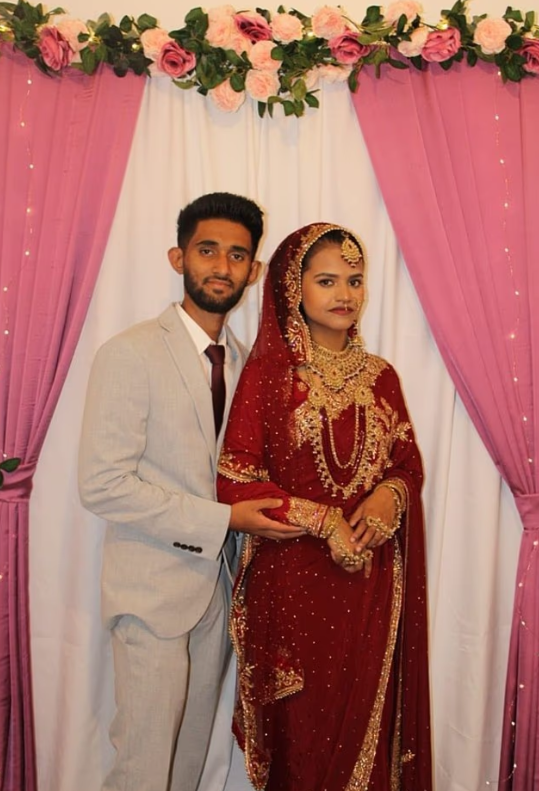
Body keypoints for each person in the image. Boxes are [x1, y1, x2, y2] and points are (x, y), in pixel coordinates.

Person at [78, 192, 303, 791]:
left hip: (219, 593)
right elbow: (103, 485)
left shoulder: (248, 363)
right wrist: (224, 520)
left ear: (253, 272)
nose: (222, 267)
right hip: (150, 592)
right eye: (208, 250)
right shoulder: (129, 353)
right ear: (178, 258)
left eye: (237, 256)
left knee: (187, 767)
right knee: (143, 766)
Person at [217, 223, 432, 791]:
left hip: (368, 585)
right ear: (294, 288)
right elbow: (234, 482)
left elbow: (407, 466)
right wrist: (324, 519)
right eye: (328, 280)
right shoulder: (268, 377)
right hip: (291, 590)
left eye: (355, 280)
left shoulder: (382, 378)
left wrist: (389, 494)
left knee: (365, 736)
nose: (345, 293)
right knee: (303, 745)